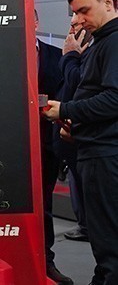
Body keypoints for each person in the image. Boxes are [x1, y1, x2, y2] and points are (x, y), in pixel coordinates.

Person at [43, 0, 118, 285]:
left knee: (109, 241)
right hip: (93, 150)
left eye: (83, 10)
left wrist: (67, 110)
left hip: (105, 157)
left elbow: (114, 99)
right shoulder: (101, 43)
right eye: (74, 13)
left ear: (108, 2)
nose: (77, 19)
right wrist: (77, 127)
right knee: (103, 240)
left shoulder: (113, 42)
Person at [35, 10, 72, 285]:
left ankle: (46, 262)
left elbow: (65, 93)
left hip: (47, 142)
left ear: (36, 21)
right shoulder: (3, 53)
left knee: (45, 205)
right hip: (10, 142)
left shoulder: (55, 55)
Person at [58, 20, 90, 242]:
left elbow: (77, 82)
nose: (71, 30)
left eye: (76, 25)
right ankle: (85, 225)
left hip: (84, 134)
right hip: (70, 132)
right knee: (77, 182)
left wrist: (70, 56)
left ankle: (88, 227)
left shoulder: (92, 53)